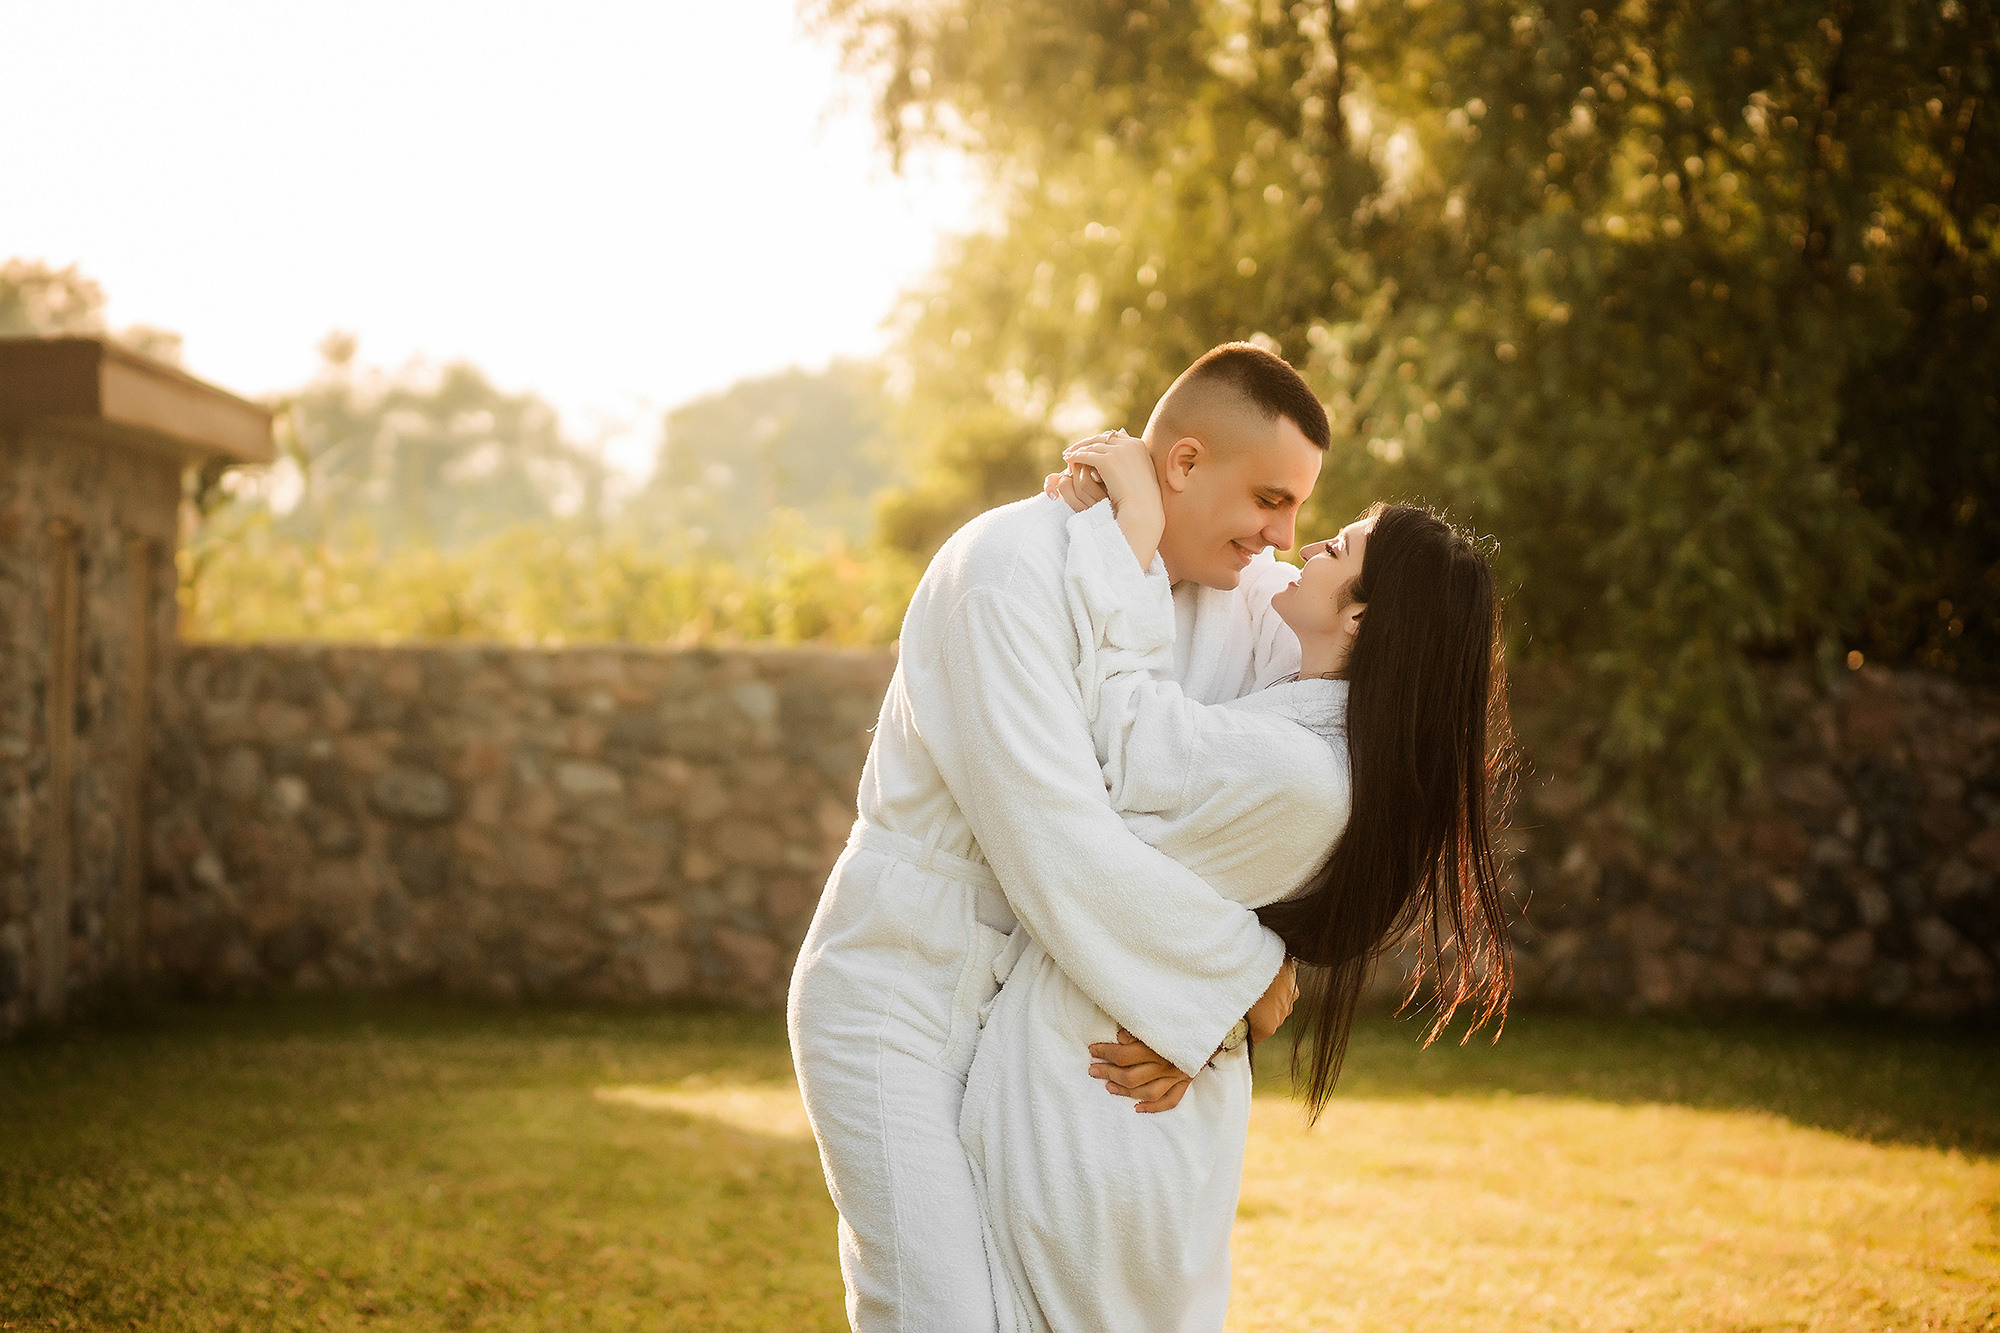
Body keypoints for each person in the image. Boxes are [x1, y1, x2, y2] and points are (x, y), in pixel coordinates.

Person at [787, 343, 1327, 1331]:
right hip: (897, 989)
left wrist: (1204, 998)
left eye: (1295, 508)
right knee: (936, 1314)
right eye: (1268, 498)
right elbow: (1053, 839)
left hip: (1047, 1021)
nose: (1284, 535)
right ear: (1183, 462)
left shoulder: (1250, 607)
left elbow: (1282, 789)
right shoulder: (1005, 566)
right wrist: (1230, 982)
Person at [959, 431, 1512, 1331]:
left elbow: (1125, 741)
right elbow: (1227, 518)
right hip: (1123, 1070)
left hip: (1103, 1104)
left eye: (1341, 548)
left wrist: (1130, 532)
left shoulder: (1302, 771)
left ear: (1365, 618)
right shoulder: (1304, 729)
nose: (1305, 542)